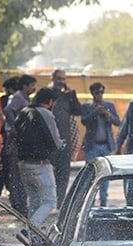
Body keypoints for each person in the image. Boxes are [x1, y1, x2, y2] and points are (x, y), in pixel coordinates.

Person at [14, 87, 64, 231]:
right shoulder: (46, 113)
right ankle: (29, 229)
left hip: (23, 164)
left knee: (35, 200)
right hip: (40, 165)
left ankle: (30, 235)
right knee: (49, 201)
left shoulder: (24, 111)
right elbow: (56, 142)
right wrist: (62, 145)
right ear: (50, 101)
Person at [81, 82, 120, 206]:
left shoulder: (109, 105)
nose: (100, 95)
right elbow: (84, 121)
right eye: (97, 92)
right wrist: (95, 112)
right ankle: (89, 203)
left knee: (105, 174)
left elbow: (118, 122)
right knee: (90, 175)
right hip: (92, 145)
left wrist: (107, 114)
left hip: (106, 145)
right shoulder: (87, 106)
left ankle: (103, 201)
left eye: (102, 92)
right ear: (92, 93)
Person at [3, 74, 37, 215]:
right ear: (25, 86)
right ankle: (18, 203)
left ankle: (20, 202)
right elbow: (8, 110)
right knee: (17, 172)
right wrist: (16, 126)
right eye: (31, 85)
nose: (33, 88)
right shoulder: (19, 97)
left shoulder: (24, 98)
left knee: (20, 172)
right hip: (16, 141)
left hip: (21, 141)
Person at [49, 69, 82, 208]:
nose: (61, 82)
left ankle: (59, 202)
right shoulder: (47, 94)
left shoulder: (68, 96)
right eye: (59, 79)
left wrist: (72, 95)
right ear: (53, 79)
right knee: (49, 172)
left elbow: (78, 111)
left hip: (65, 140)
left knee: (64, 172)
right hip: (49, 141)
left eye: (64, 79)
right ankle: (49, 201)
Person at [0, 76, 19, 197]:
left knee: (8, 164)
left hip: (9, 135)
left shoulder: (12, 99)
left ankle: (7, 190)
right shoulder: (8, 99)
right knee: (6, 164)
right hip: (9, 135)